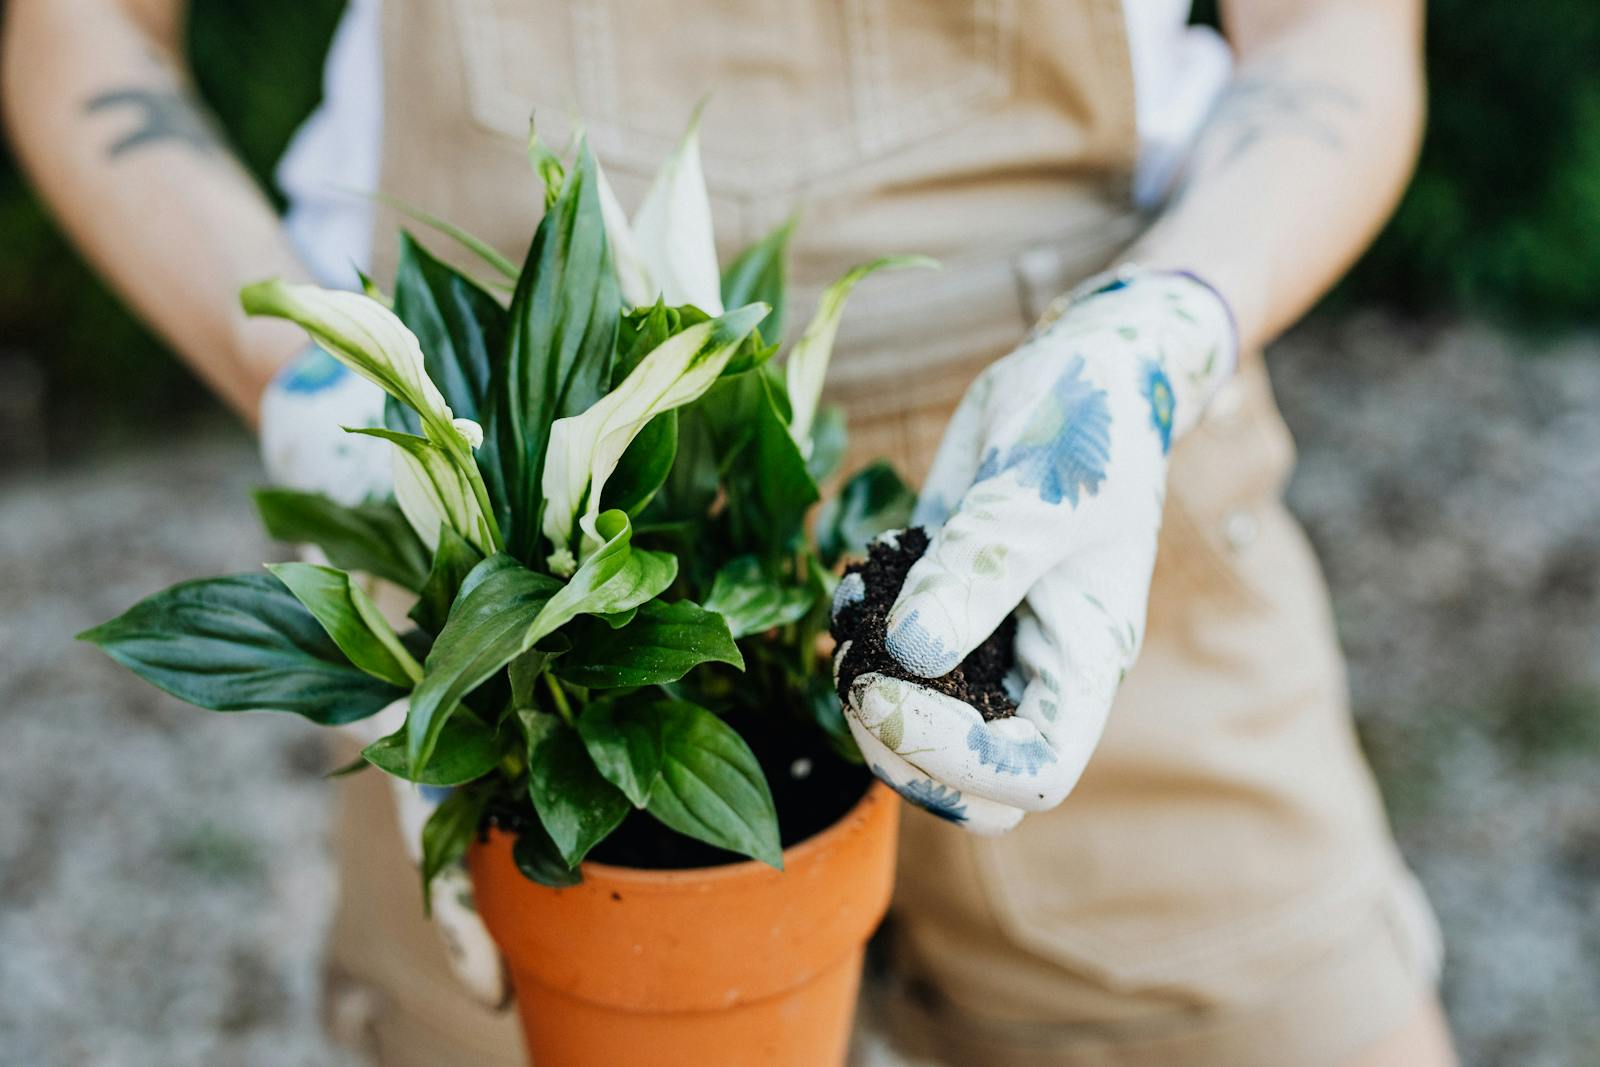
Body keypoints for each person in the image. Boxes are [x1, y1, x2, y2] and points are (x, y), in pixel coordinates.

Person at [3, 0, 1457, 1063]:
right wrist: (314, 381)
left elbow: (1331, 42)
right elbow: (85, 35)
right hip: (513, 485)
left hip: (1060, 459)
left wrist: (1156, 342)